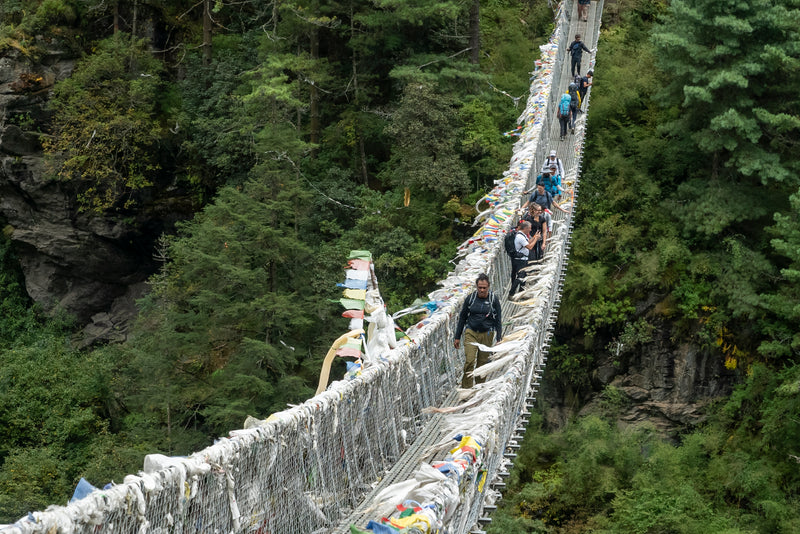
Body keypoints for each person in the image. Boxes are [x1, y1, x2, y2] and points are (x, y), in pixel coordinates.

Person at [454, 273, 503, 388]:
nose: (482, 290)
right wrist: (457, 336)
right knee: (470, 361)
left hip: (487, 334)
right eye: (479, 287)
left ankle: (479, 388)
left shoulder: (493, 300)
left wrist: (499, 338)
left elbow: (498, 319)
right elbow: (462, 317)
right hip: (471, 332)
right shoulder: (470, 298)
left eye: (484, 288)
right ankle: (466, 388)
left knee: (482, 363)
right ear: (476, 287)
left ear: (488, 287)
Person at [509, 220, 541, 297]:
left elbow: (528, 243)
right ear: (525, 228)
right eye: (529, 228)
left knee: (524, 277)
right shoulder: (520, 237)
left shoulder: (522, 235)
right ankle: (511, 293)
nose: (530, 230)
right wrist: (536, 239)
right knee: (521, 277)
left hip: (523, 259)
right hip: (520, 260)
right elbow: (530, 247)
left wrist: (534, 237)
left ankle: (521, 293)